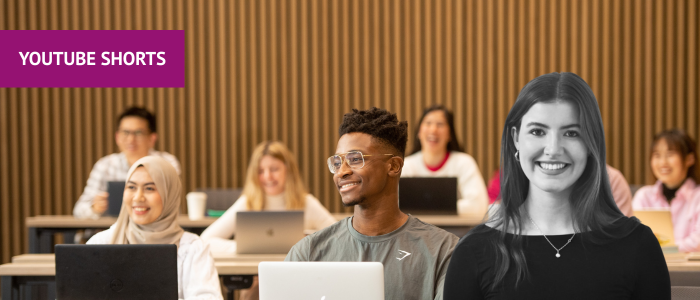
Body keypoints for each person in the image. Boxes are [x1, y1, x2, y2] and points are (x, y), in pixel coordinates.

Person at [444, 72, 670, 299]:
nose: (553, 149)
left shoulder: (638, 246)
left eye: (571, 133)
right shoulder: (473, 251)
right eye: (537, 132)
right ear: (516, 139)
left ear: (591, 143)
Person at [286, 107, 459, 300]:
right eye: (337, 162)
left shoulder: (443, 251)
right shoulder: (308, 252)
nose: (341, 172)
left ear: (393, 166)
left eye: (355, 159)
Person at [87, 156, 222, 300]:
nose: (138, 197)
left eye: (149, 188)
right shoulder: (101, 244)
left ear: (169, 194)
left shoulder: (192, 249)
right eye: (131, 187)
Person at [200, 141, 336, 253]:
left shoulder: (307, 203)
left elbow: (340, 238)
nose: (267, 177)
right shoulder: (247, 203)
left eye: (274, 169)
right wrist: (243, 249)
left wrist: (309, 245)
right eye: (260, 171)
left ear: (288, 171)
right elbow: (204, 241)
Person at [74, 106, 181, 219]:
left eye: (138, 133)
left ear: (152, 138)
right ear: (117, 137)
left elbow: (172, 205)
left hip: (154, 230)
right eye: (125, 132)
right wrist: (95, 207)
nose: (131, 139)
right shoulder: (105, 166)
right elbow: (79, 210)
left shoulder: (167, 163)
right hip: (112, 232)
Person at [402, 105, 489, 217]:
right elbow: (393, 207)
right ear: (419, 132)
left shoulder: (464, 163)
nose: (433, 130)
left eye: (440, 124)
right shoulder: (406, 166)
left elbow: (479, 206)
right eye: (428, 123)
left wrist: (428, 206)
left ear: (450, 134)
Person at [633, 129, 700, 252]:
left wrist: (662, 249)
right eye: (657, 155)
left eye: (670, 155)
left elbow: (697, 242)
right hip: (650, 268)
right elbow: (634, 239)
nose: (663, 162)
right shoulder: (643, 196)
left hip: (690, 270)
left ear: (689, 159)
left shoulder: (697, 197)